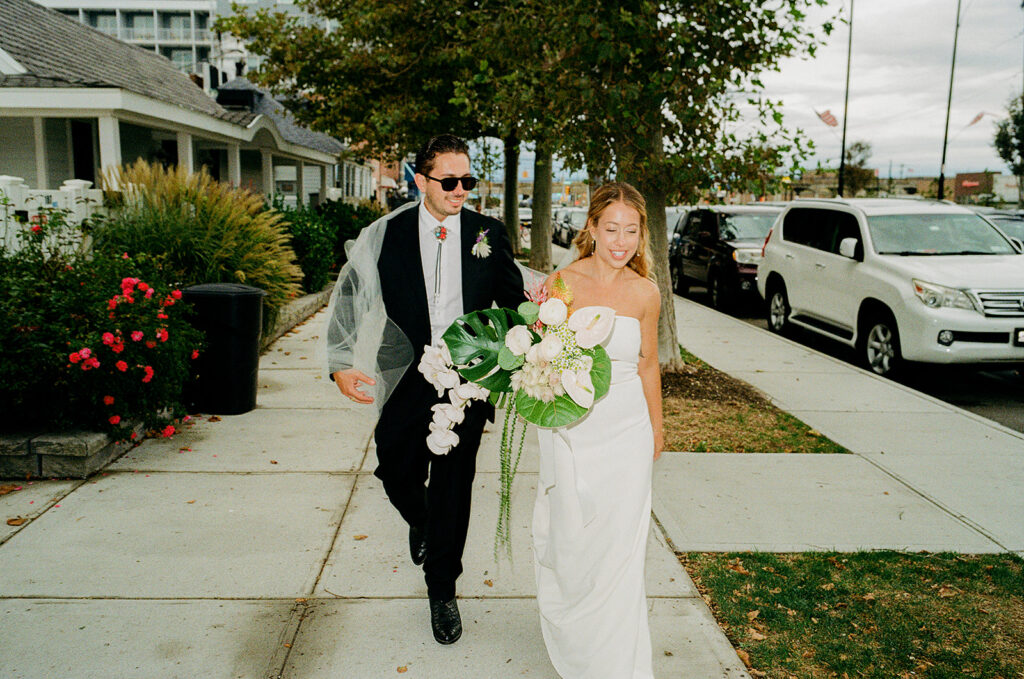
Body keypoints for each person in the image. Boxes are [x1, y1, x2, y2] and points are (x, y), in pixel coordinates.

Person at [328, 134, 524, 644]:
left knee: (455, 487)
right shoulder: (386, 234)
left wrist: (527, 344)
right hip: (406, 375)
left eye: (468, 181)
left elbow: (512, 304)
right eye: (450, 181)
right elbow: (349, 294)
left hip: (468, 379)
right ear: (421, 180)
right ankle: (421, 519)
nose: (461, 191)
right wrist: (340, 362)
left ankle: (442, 589)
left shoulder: (488, 234)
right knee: (394, 465)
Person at [533, 181, 663, 678]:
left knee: (620, 547)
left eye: (631, 230)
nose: (620, 240)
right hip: (573, 429)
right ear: (591, 227)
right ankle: (576, 631)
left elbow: (648, 363)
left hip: (628, 430)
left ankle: (618, 661)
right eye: (611, 228)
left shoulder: (646, 292)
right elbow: (542, 359)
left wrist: (657, 426)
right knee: (574, 537)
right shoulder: (561, 283)